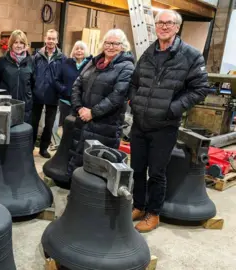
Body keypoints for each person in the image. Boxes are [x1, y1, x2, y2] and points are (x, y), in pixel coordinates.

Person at [129, 9, 209, 232]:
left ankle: (153, 214)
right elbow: (134, 83)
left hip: (164, 127)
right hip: (140, 123)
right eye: (160, 23)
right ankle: (138, 206)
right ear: (155, 26)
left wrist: (173, 108)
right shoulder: (148, 52)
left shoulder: (191, 55)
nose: (163, 26)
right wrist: (135, 102)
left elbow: (201, 88)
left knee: (156, 173)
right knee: (136, 169)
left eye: (169, 23)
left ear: (177, 27)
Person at [67, 29, 135, 178]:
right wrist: (79, 108)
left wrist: (92, 113)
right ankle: (76, 194)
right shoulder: (93, 63)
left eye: (115, 43)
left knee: (97, 166)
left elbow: (117, 96)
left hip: (105, 126)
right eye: (107, 43)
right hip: (83, 121)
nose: (110, 46)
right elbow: (77, 85)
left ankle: (92, 199)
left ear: (123, 46)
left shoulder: (127, 67)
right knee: (78, 159)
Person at [32, 29, 66, 158]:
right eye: (49, 38)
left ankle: (43, 148)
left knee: (49, 124)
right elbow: (32, 73)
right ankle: (31, 147)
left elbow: (64, 76)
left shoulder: (62, 58)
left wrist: (61, 90)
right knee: (34, 123)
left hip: (53, 95)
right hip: (37, 94)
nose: (51, 41)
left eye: (53, 39)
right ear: (45, 39)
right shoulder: (37, 56)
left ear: (57, 40)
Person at [0, 29, 34, 123]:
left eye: (21, 42)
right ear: (11, 44)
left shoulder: (31, 61)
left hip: (25, 106)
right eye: (16, 42)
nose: (18, 45)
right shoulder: (2, 61)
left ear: (25, 45)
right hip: (6, 105)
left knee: (22, 134)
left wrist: (28, 96)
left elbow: (33, 83)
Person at [56, 40, 92, 126]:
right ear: (73, 51)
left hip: (82, 104)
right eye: (77, 49)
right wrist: (63, 90)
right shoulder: (66, 63)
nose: (79, 51)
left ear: (85, 51)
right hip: (66, 102)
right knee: (65, 126)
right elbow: (56, 80)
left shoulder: (90, 65)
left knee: (78, 127)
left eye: (81, 49)